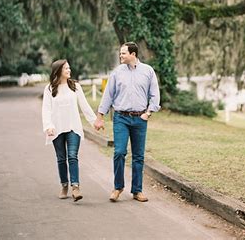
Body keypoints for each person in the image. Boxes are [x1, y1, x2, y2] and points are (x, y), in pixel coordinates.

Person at [94, 42, 160, 203]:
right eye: (120, 53)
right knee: (119, 152)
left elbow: (155, 94)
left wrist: (148, 113)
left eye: (123, 53)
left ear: (133, 54)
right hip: (121, 118)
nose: (120, 56)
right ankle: (118, 187)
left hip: (140, 118)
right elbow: (108, 95)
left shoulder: (148, 71)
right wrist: (100, 116)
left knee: (138, 156)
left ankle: (137, 191)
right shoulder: (117, 73)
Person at [42, 59, 97, 202]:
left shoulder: (75, 86)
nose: (69, 70)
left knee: (72, 156)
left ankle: (75, 187)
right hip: (57, 128)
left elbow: (85, 106)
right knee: (61, 158)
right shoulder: (49, 89)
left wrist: (94, 122)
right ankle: (64, 185)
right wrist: (48, 126)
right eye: (66, 68)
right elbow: (46, 109)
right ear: (58, 70)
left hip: (73, 126)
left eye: (69, 68)